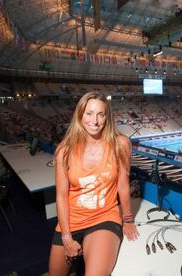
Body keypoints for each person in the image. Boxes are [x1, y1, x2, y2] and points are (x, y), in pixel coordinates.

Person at [49, 92, 139, 276]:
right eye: (89, 113)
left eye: (101, 114)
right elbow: (61, 196)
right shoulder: (64, 151)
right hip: (70, 221)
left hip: (104, 218)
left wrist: (128, 218)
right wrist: (66, 236)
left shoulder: (121, 144)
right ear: (80, 114)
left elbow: (123, 185)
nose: (95, 121)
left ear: (107, 117)